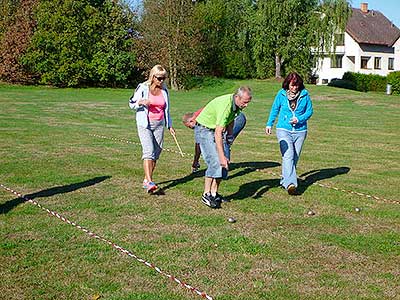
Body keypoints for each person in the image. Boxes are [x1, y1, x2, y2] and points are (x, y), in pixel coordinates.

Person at [194, 86, 252, 208]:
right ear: (237, 97)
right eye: (245, 102)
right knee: (215, 161)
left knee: (224, 164)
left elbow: (230, 119)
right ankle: (206, 194)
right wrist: (221, 156)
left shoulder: (236, 106)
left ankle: (214, 194)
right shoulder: (226, 105)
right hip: (204, 129)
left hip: (215, 130)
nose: (246, 105)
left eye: (248, 102)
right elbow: (218, 133)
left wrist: (230, 135)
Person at [129, 65, 175, 193]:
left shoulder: (165, 91)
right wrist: (140, 102)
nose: (161, 81)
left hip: (159, 124)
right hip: (145, 124)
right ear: (153, 77)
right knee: (148, 151)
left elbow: (167, 110)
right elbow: (131, 103)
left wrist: (169, 125)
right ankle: (149, 182)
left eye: (164, 78)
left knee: (156, 152)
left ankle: (146, 179)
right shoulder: (143, 88)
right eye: (159, 78)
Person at [265, 72, 313, 195]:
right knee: (288, 155)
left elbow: (309, 111)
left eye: (296, 85)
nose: (294, 88)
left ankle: (285, 180)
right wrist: (269, 124)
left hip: (300, 131)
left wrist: (299, 119)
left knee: (294, 158)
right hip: (283, 129)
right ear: (287, 84)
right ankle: (291, 184)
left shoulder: (305, 95)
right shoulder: (281, 94)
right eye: (292, 85)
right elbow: (275, 109)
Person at [182, 109, 247, 173]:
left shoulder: (200, 120)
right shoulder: (200, 116)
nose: (193, 129)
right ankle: (222, 166)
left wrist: (195, 161)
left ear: (191, 120)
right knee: (220, 141)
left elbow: (198, 144)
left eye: (191, 127)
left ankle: (223, 170)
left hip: (236, 118)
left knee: (223, 141)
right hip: (232, 117)